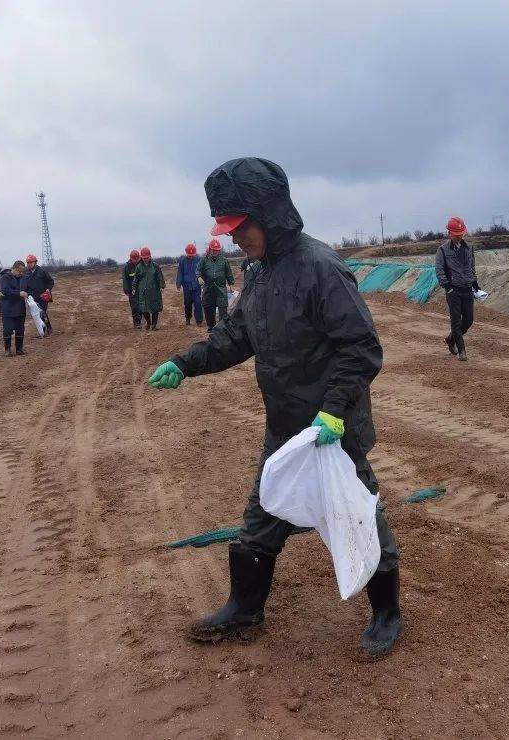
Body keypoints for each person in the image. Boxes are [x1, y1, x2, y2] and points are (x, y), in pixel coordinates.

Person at [148, 157, 402, 657]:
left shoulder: (321, 268)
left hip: (333, 430)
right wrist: (186, 361)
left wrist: (332, 410)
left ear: (269, 214)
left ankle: (387, 612)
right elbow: (237, 334)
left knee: (357, 515)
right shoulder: (259, 274)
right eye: (228, 228)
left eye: (240, 227)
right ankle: (245, 608)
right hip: (286, 427)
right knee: (263, 513)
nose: (234, 238)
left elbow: (361, 348)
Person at [435, 217, 480, 361]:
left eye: (461, 233)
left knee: (468, 321)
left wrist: (475, 283)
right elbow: (439, 271)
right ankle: (461, 350)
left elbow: (471, 267)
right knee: (455, 321)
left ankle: (450, 339)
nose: (459, 235)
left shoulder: (469, 248)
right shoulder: (442, 250)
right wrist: (448, 287)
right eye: (456, 233)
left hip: (467, 288)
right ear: (450, 233)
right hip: (453, 290)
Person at [197, 239, 235, 330]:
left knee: (223, 308)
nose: (215, 252)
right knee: (208, 308)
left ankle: (222, 328)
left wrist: (231, 283)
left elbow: (228, 273)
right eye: (213, 250)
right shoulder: (204, 260)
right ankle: (211, 326)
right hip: (208, 288)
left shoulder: (224, 260)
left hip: (220, 288)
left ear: (219, 250)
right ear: (210, 249)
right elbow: (198, 270)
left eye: (217, 250)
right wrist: (198, 277)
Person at [132, 247, 166, 331]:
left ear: (150, 257)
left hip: (154, 290)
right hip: (143, 291)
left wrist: (162, 286)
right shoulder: (139, 267)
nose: (145, 259)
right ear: (141, 258)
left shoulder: (155, 266)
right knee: (143, 309)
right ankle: (148, 323)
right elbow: (136, 278)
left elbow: (160, 277)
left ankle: (154, 325)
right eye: (143, 258)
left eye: (147, 258)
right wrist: (134, 287)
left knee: (155, 308)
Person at [21, 254, 54, 336]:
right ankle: (42, 331)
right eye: (28, 262)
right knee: (37, 315)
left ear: (35, 262)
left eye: (31, 262)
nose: (29, 264)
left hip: (43, 297)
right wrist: (24, 293)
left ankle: (48, 328)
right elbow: (24, 286)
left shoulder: (42, 271)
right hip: (32, 298)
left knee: (42, 313)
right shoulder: (26, 274)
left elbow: (50, 281)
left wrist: (48, 289)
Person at [0, 260, 27, 357]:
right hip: (8, 309)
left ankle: (19, 349)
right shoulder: (5, 278)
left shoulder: (22, 278)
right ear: (14, 269)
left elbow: (27, 289)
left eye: (23, 272)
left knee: (20, 329)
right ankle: (7, 350)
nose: (21, 273)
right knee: (8, 329)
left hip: (20, 309)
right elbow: (5, 291)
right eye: (20, 271)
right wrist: (18, 293)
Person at [176, 243, 203, 326]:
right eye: (189, 255)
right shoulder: (182, 261)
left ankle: (199, 320)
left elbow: (203, 270)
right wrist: (178, 284)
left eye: (192, 255)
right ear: (186, 253)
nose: (191, 256)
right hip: (186, 286)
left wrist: (203, 279)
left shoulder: (199, 259)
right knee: (187, 303)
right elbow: (180, 273)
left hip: (196, 285)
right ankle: (188, 318)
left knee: (198, 303)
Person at [122, 249, 142, 328]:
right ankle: (137, 323)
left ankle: (141, 320)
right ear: (131, 259)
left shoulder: (142, 264)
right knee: (134, 307)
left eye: (138, 259)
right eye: (135, 259)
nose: (136, 261)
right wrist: (126, 290)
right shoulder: (127, 267)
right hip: (132, 290)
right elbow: (125, 279)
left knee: (141, 306)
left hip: (141, 289)